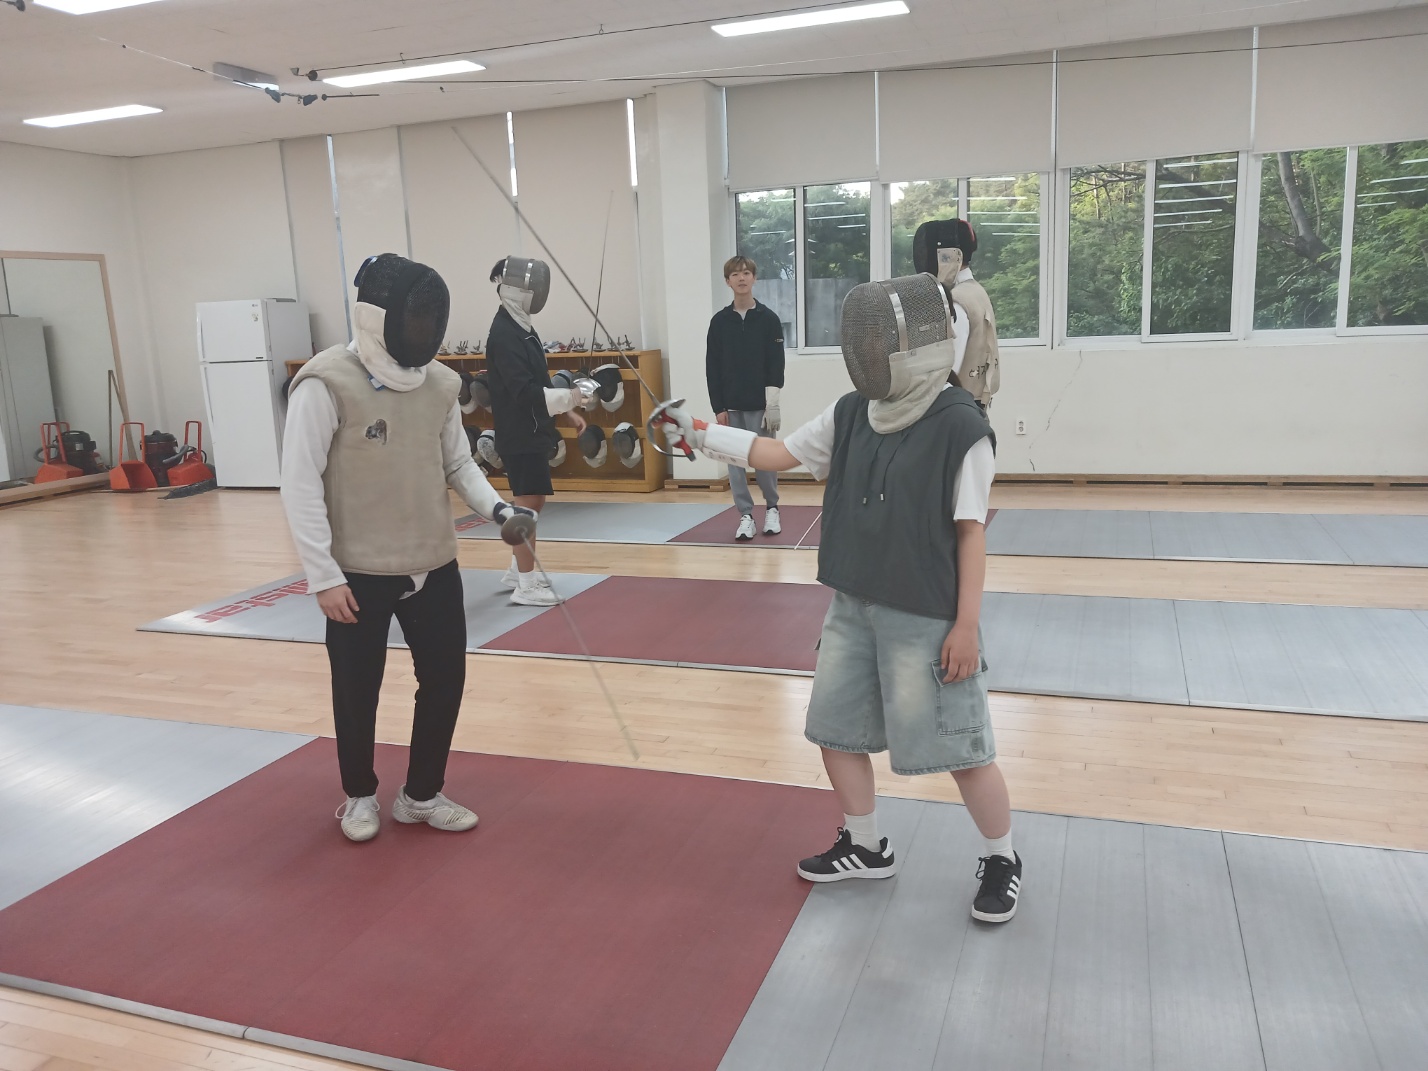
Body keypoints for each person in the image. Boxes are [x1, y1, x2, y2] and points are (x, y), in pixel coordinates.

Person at [660, 273, 1021, 923]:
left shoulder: (961, 426)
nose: (869, 353)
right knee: (835, 730)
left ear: (918, 344)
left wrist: (966, 625)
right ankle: (866, 844)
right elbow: (777, 452)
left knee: (962, 751)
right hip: (853, 604)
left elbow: (971, 532)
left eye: (880, 341)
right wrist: (700, 431)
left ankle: (1002, 858)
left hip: (926, 613)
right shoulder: (854, 411)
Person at [280, 253, 535, 843]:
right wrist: (323, 576)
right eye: (413, 318)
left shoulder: (440, 384)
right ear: (378, 316)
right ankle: (359, 795)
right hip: (357, 572)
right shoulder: (326, 382)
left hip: (433, 562)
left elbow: (459, 463)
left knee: (444, 681)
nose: (423, 330)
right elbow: (299, 482)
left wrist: (500, 509)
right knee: (357, 690)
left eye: (429, 319)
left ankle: (421, 795)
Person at [484, 255, 594, 605]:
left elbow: (540, 379)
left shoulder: (521, 326)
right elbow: (523, 391)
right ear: (515, 288)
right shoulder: (504, 334)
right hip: (519, 432)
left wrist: (568, 410)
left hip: (531, 429)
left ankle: (517, 570)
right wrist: (570, 396)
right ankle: (526, 586)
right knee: (527, 506)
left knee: (533, 502)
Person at [705, 255, 786, 541]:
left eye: (746, 273)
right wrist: (718, 407)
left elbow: (776, 365)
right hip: (731, 407)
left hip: (760, 406)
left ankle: (772, 509)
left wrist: (772, 403)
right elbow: (712, 367)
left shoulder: (769, 319)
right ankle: (746, 515)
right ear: (727, 281)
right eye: (735, 274)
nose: (741, 278)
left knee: (765, 462)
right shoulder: (719, 322)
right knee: (735, 465)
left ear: (754, 278)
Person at [913, 219, 1000, 410]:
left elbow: (948, 372)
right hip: (971, 407)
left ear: (951, 256)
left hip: (956, 409)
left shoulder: (958, 300)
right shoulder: (975, 291)